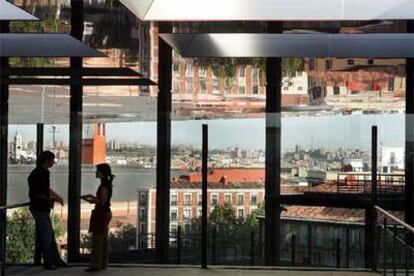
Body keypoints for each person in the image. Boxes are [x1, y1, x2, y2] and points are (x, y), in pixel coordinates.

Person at [28, 150, 66, 270]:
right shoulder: (43, 173)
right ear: (46, 161)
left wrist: (53, 197)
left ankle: (54, 260)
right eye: (52, 161)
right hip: (40, 208)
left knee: (48, 234)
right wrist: (51, 199)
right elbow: (39, 193)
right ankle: (50, 262)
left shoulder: (37, 173)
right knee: (47, 236)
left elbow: (40, 191)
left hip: (39, 208)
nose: (53, 163)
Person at [84, 163, 114, 272]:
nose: (96, 173)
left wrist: (91, 198)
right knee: (103, 240)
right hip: (105, 213)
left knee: (98, 240)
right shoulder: (106, 184)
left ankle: (96, 265)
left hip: (102, 214)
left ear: (102, 173)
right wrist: (91, 198)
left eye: (97, 171)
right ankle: (103, 263)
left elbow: (102, 202)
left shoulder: (104, 186)